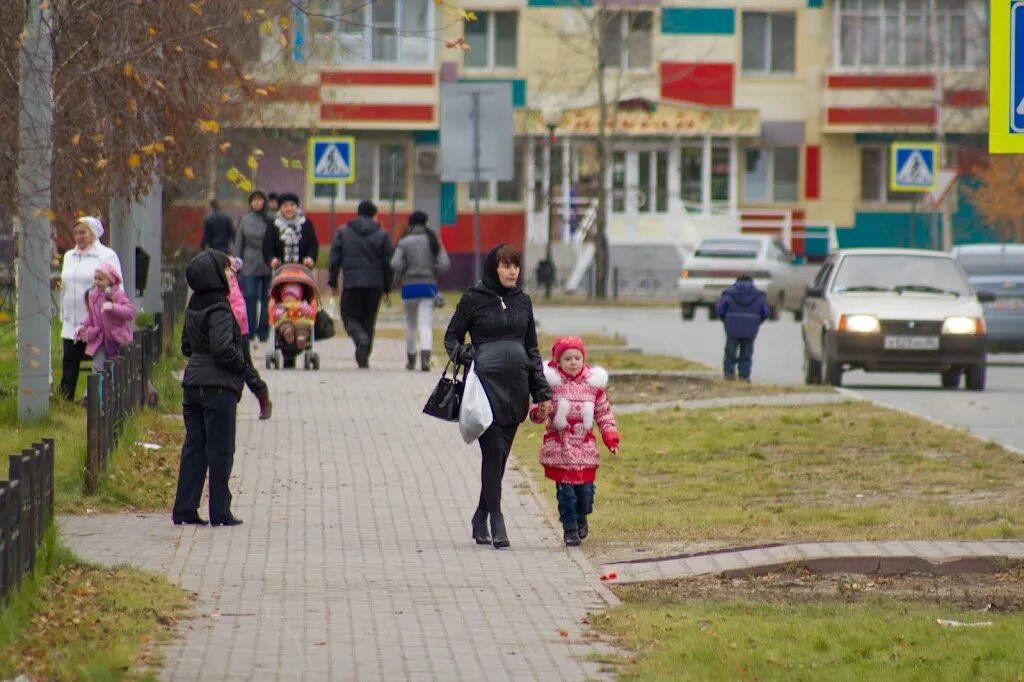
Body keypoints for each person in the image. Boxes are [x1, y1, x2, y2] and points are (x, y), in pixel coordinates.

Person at [444, 244, 552, 549]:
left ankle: (480, 515)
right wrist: (466, 354)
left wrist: (541, 392)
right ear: (494, 268)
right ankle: (497, 519)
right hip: (484, 387)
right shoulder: (473, 299)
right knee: (492, 452)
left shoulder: (523, 302)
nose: (512, 271)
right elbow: (451, 337)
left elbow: (532, 348)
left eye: (515, 266)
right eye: (506, 266)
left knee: (502, 457)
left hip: (516, 388)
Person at [172, 249, 247, 527]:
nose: (231, 275)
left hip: (193, 384)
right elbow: (223, 349)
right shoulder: (219, 306)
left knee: (194, 448)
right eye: (227, 270)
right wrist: (241, 365)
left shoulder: (194, 304)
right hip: (218, 387)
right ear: (215, 273)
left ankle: (185, 510)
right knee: (221, 451)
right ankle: (220, 511)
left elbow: (186, 346)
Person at [529, 336, 619, 547]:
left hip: (585, 446)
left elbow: (604, 413)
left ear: (583, 360)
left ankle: (582, 516)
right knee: (566, 492)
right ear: (557, 362)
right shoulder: (552, 386)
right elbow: (537, 409)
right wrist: (540, 412)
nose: (573, 362)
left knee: (585, 491)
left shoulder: (593, 387)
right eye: (567, 358)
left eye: (577, 358)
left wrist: (611, 437)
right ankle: (569, 528)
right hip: (560, 445)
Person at [59, 216, 122, 401]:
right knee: (70, 360)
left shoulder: (106, 255)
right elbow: (65, 286)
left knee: (98, 360)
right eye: (76, 233)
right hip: (72, 319)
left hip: (96, 321)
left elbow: (117, 284)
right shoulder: (69, 256)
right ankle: (65, 399)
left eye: (83, 232)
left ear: (93, 234)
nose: (78, 237)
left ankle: (94, 399)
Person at [328, 200, 393, 369]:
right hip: (375, 285)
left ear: (358, 213)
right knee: (368, 320)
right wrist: (387, 287)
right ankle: (363, 358)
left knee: (348, 316)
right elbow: (387, 263)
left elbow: (335, 259)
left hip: (352, 283)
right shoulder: (382, 234)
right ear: (374, 214)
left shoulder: (343, 232)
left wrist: (333, 282)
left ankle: (359, 339)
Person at [390, 210, 450, 372]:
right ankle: (425, 360)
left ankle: (410, 360)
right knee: (425, 324)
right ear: (425, 223)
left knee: (410, 325)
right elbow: (445, 263)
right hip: (428, 287)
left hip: (409, 288)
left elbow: (394, 263)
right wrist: (432, 271)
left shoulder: (405, 241)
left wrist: (406, 271)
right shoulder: (433, 241)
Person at [226, 257, 272, 420]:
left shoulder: (229, 284)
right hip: (224, 331)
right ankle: (228, 406)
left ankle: (262, 395)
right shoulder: (219, 283)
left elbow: (237, 311)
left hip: (239, 331)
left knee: (244, 367)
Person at [76, 262, 137, 373]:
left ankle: (117, 388)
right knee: (98, 368)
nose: (97, 282)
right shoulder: (94, 295)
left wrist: (113, 307)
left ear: (110, 280)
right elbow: (92, 316)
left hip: (117, 340)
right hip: (100, 340)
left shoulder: (117, 294)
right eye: (95, 278)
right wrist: (83, 326)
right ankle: (96, 389)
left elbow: (131, 312)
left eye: (100, 279)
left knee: (120, 370)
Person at [235, 190, 273, 343]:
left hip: (267, 262)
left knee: (267, 297)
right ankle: (249, 330)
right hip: (249, 262)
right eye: (254, 200)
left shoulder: (271, 219)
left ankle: (263, 331)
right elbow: (239, 242)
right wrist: (236, 262)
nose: (257, 203)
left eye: (260, 200)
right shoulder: (245, 220)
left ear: (264, 202)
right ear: (250, 203)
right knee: (249, 295)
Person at [717, 275, 768, 382]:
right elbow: (764, 312)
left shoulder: (728, 293)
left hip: (732, 326)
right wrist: (756, 322)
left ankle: (729, 374)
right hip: (751, 327)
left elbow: (721, 310)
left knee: (730, 351)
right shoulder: (759, 295)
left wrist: (726, 320)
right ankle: (744, 376)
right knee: (747, 352)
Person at [262, 192, 318, 270]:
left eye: (292, 205)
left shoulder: (306, 223)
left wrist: (310, 258)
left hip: (304, 269)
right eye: (285, 206)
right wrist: (272, 260)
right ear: (280, 208)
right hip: (280, 270)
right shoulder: (273, 225)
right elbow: (267, 248)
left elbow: (313, 246)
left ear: (297, 207)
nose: (289, 209)